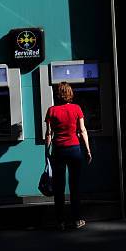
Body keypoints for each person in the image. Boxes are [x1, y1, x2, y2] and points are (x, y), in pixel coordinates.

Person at [45, 82, 92, 230]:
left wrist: (47, 151)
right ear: (70, 93)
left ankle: (60, 222)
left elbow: (48, 134)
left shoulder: (51, 111)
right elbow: (83, 130)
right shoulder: (76, 108)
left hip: (58, 150)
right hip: (74, 149)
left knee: (59, 187)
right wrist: (88, 150)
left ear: (57, 94)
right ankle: (77, 220)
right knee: (75, 185)